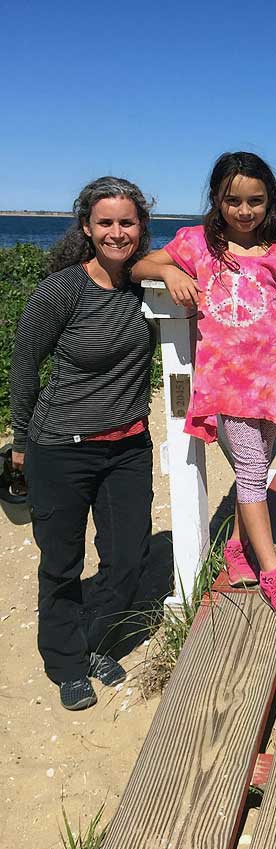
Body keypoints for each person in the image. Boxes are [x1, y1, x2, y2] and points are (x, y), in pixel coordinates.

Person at [132, 152, 276, 628]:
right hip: (228, 383)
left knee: (255, 473)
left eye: (255, 201)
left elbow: (275, 312)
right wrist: (171, 272)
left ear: (269, 202)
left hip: (273, 381)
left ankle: (236, 549)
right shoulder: (197, 245)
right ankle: (275, 575)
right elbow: (138, 267)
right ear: (217, 198)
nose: (244, 210)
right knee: (254, 473)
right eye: (233, 200)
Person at [10, 177, 155, 711]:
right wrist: (21, 442)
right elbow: (25, 366)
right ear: (88, 228)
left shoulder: (145, 285)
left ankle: (91, 640)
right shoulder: (64, 289)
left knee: (127, 558)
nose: (117, 232)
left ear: (142, 227)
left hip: (129, 448)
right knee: (61, 562)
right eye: (106, 223)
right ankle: (67, 662)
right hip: (60, 448)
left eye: (127, 222)